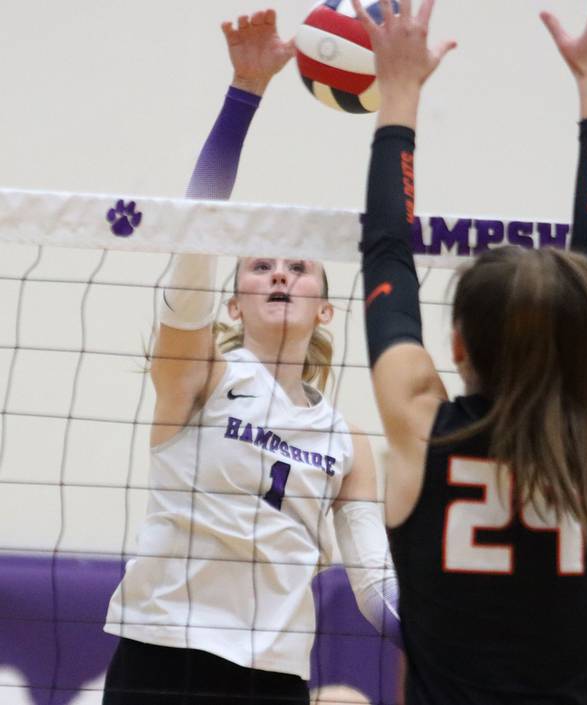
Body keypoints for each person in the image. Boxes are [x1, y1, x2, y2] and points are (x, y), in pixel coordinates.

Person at [353, 0, 587, 702]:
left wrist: (398, 94)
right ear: (577, 337)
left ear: (457, 342)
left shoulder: (420, 420)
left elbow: (384, 252)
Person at [102, 10, 398, 705]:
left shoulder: (347, 439)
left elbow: (371, 578)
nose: (279, 273)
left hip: (271, 674)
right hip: (162, 650)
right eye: (260, 264)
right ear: (231, 303)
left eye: (298, 265)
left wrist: (435, 638)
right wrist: (244, 92)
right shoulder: (199, 378)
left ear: (326, 307)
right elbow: (195, 234)